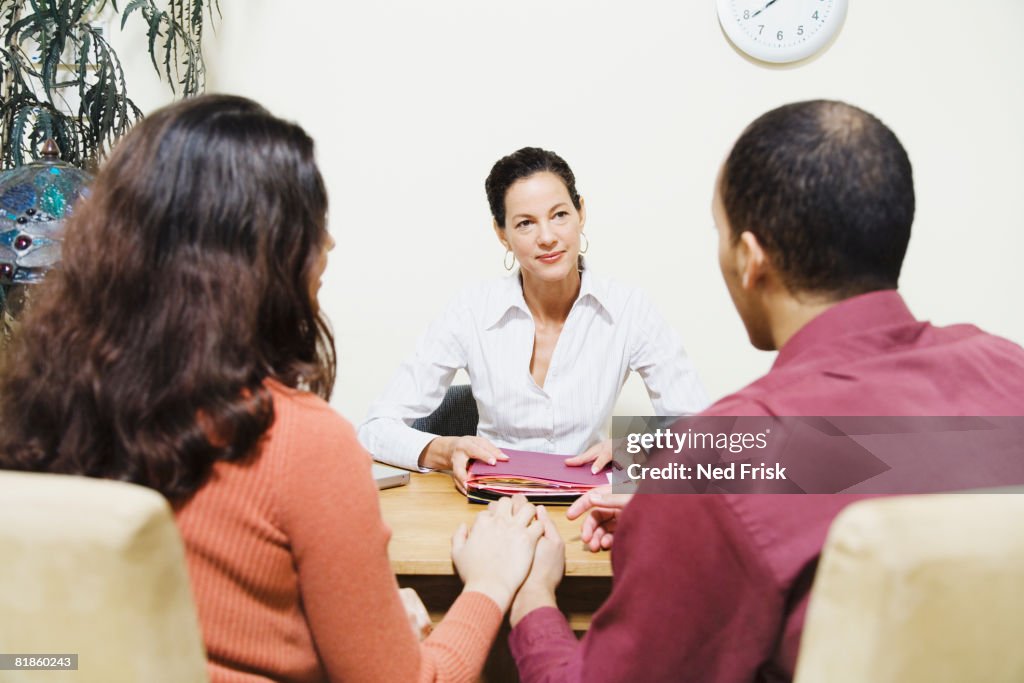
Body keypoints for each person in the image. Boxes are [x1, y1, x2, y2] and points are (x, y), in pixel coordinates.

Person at [0, 95, 545, 683]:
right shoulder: (305, 439)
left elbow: (35, 660)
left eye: (560, 215)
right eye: (313, 224)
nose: (329, 245)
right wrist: (489, 579)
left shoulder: (38, 411)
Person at [506, 100, 1024, 682]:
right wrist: (673, 519)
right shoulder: (1012, 371)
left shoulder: (723, 459)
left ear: (749, 258)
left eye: (720, 233)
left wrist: (531, 599)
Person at [359, 147, 708, 492]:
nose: (547, 237)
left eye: (559, 215)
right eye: (525, 223)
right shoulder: (470, 310)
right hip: (490, 504)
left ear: (581, 212)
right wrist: (445, 449)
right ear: (502, 235)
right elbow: (375, 427)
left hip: (588, 504)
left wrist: (636, 450)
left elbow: (701, 425)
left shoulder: (630, 308)